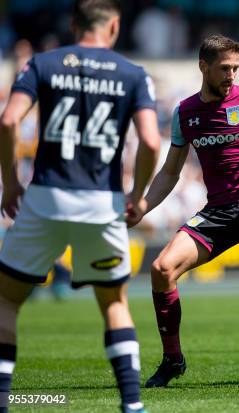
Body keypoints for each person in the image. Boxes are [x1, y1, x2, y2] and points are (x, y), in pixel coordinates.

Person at [0, 1, 160, 412]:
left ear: (74, 26)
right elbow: (151, 141)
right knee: (115, 304)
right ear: (115, 27)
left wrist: (11, 183)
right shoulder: (133, 74)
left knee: (5, 301)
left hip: (46, 196)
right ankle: (132, 405)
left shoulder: (43, 63)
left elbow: (7, 121)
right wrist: (138, 194)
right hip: (102, 203)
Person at [126, 34, 239, 387]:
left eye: (236, 68)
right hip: (219, 210)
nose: (231, 75)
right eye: (224, 68)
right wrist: (144, 206)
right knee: (161, 269)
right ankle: (173, 359)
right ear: (203, 66)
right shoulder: (185, 112)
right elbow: (170, 171)